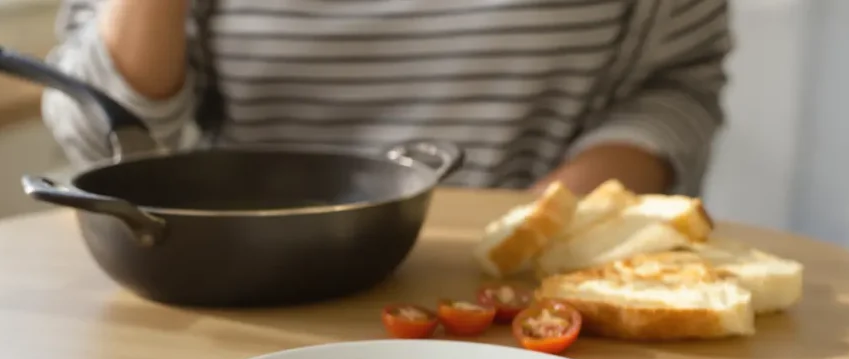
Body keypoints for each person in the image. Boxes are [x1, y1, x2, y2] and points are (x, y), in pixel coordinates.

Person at [42, 0, 731, 197]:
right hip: (239, 288)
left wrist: (542, 226)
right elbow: (102, 134)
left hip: (522, 303)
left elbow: (674, 90)